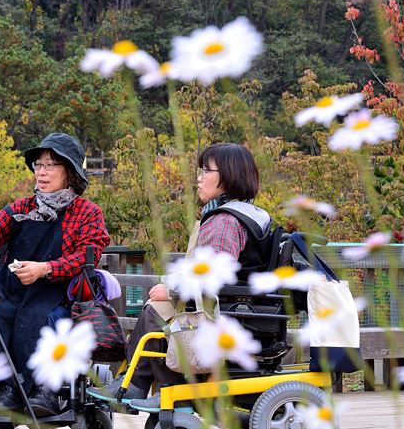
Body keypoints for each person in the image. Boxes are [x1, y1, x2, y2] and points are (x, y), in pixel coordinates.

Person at [87, 142, 271, 410]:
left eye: (206, 171)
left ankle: (164, 389)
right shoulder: (250, 214)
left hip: (225, 311)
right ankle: (135, 384)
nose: (199, 178)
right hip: (239, 305)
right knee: (157, 306)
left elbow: (213, 276)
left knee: (156, 310)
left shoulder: (224, 221)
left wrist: (172, 291)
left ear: (229, 175)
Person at [0, 132, 110, 416]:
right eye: (38, 166)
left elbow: (87, 256)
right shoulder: (22, 208)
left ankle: (44, 390)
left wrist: (45, 269)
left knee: (41, 318)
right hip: (18, 293)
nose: (41, 173)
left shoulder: (88, 213)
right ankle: (4, 387)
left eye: (50, 165)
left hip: (60, 295)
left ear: (69, 171)